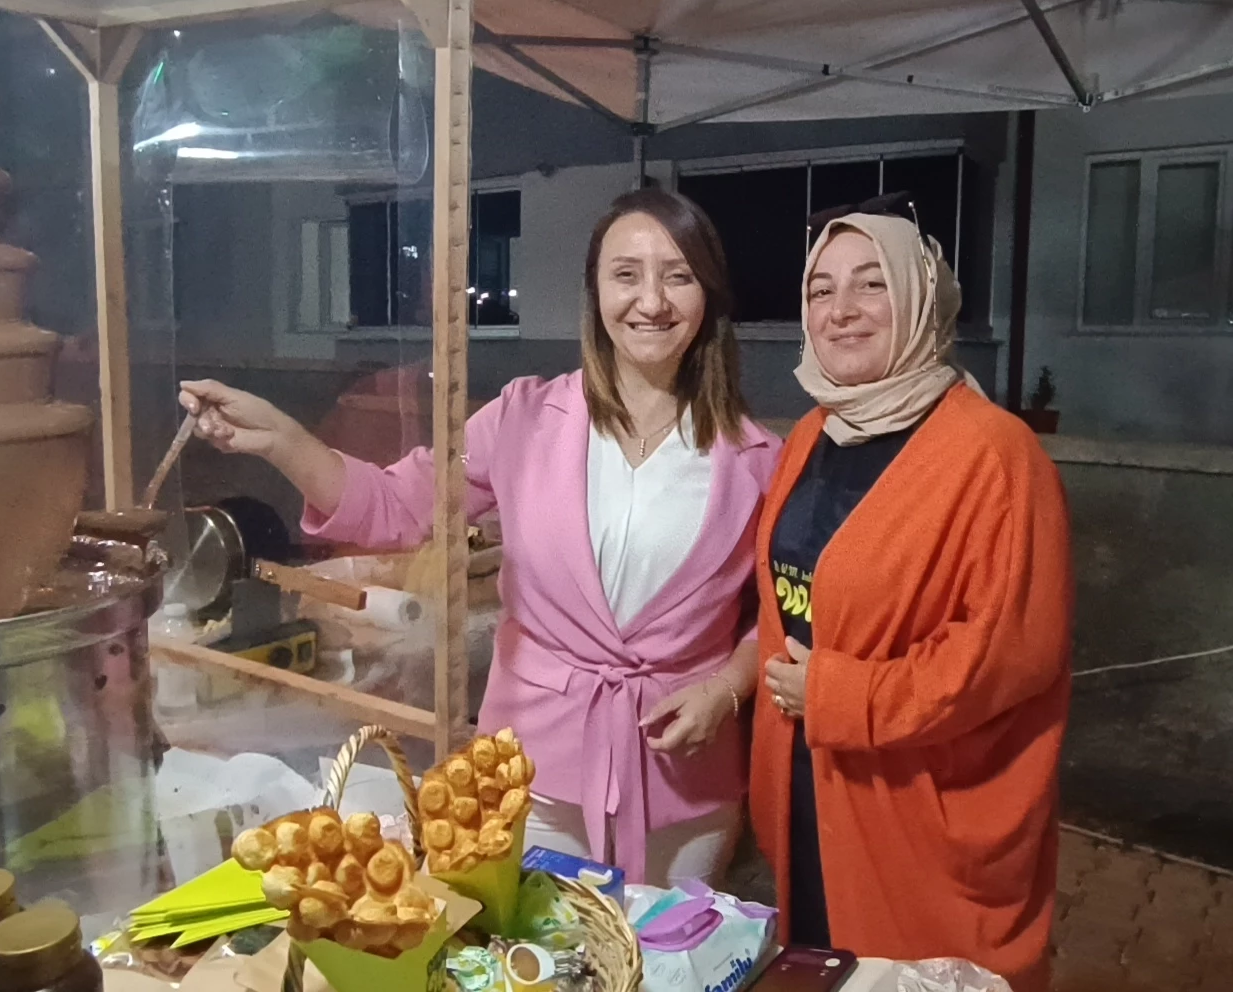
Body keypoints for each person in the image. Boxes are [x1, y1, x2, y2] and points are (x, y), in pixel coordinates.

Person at [180, 188, 780, 886]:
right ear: (594, 292)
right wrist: (282, 439)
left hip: (684, 773)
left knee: (674, 948)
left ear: (708, 294)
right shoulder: (525, 419)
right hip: (534, 766)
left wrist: (727, 689)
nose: (651, 301)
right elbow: (396, 505)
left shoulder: (756, 458)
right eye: (626, 274)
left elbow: (772, 615)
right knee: (537, 943)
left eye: (678, 276)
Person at [751, 208, 1072, 992]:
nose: (841, 310)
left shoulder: (996, 455)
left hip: (916, 810)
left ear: (923, 298)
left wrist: (837, 694)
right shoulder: (811, 435)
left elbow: (1002, 657)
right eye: (821, 290)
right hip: (812, 787)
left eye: (872, 285)